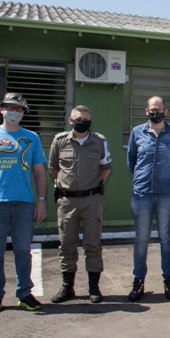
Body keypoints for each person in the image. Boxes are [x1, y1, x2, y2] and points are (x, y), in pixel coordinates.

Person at [0, 93, 48, 314]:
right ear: (2, 109)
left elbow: (40, 172)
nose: (14, 112)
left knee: (23, 250)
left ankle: (24, 293)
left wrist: (41, 200)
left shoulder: (31, 137)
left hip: (24, 203)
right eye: (10, 107)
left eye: (19, 109)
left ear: (23, 113)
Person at [49, 105, 112, 304]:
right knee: (67, 244)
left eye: (86, 119)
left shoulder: (99, 142)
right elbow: (54, 168)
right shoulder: (60, 141)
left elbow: (105, 168)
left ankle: (94, 287)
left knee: (92, 245)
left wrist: (93, 186)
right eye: (79, 119)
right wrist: (66, 186)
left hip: (92, 200)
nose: (82, 122)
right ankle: (68, 287)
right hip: (67, 201)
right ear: (70, 121)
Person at [127, 96, 170, 301]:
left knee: (165, 239)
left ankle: (168, 281)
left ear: (165, 111)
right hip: (142, 194)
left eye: (159, 109)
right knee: (141, 240)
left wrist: (169, 181)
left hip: (165, 195)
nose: (156, 112)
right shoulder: (137, 133)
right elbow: (132, 162)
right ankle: (138, 281)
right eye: (152, 109)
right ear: (146, 111)